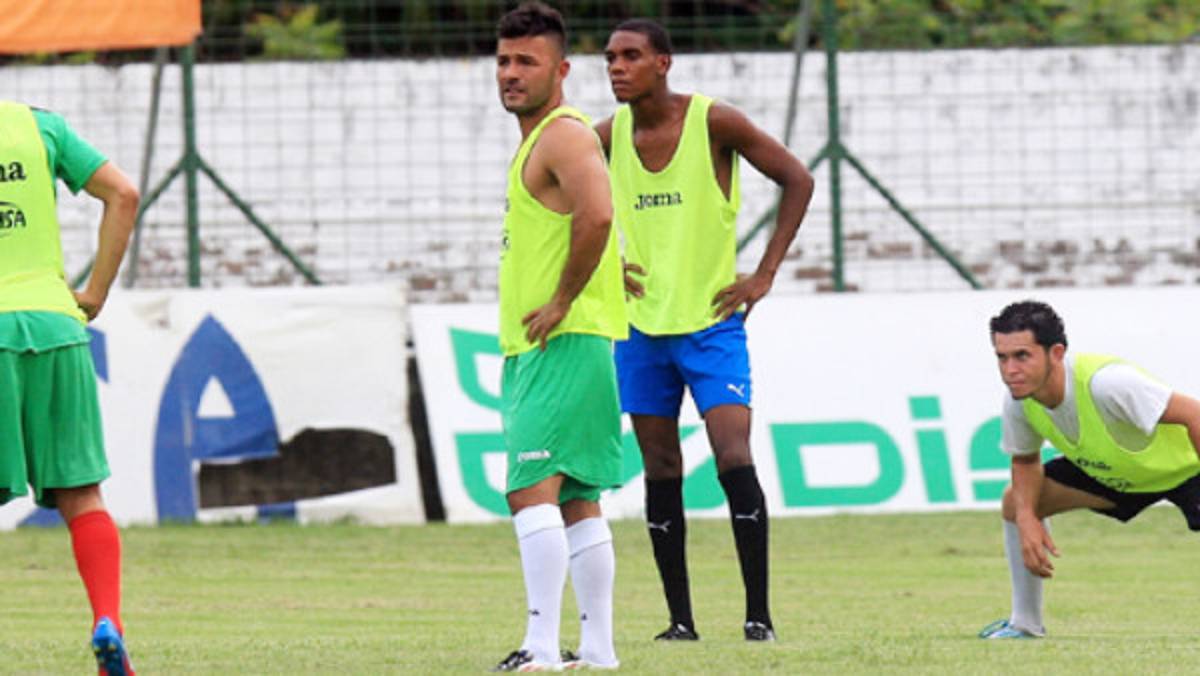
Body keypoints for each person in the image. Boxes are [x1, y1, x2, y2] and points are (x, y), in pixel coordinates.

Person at [595, 19, 814, 642]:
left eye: (630, 56)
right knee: (660, 466)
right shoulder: (603, 138)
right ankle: (680, 622)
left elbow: (798, 178)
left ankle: (758, 617)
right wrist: (606, 265)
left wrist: (764, 274)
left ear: (663, 63)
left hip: (712, 326)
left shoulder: (715, 122)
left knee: (732, 453)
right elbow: (558, 205)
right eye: (610, 58)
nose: (616, 67)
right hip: (639, 332)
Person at [489, 3, 628, 671]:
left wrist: (565, 298)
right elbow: (588, 220)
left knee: (532, 486)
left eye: (526, 62)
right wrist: (604, 274)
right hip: (567, 340)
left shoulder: (562, 133)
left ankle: (541, 647)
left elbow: (598, 213)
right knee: (576, 496)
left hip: (560, 339)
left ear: (562, 70)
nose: (510, 74)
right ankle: (597, 650)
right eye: (503, 61)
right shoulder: (545, 138)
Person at [0, 101, 139, 673]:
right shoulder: (39, 125)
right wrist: (95, 292)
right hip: (56, 323)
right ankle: (108, 621)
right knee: (83, 498)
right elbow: (123, 196)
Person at [980, 300, 1200, 639]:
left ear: (1056, 353)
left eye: (1022, 355)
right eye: (1002, 357)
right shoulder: (1019, 401)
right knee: (1015, 502)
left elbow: (1194, 415)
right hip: (1115, 477)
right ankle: (1024, 624)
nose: (1010, 369)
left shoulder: (1108, 384)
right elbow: (1025, 460)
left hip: (1186, 470)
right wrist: (1026, 520)